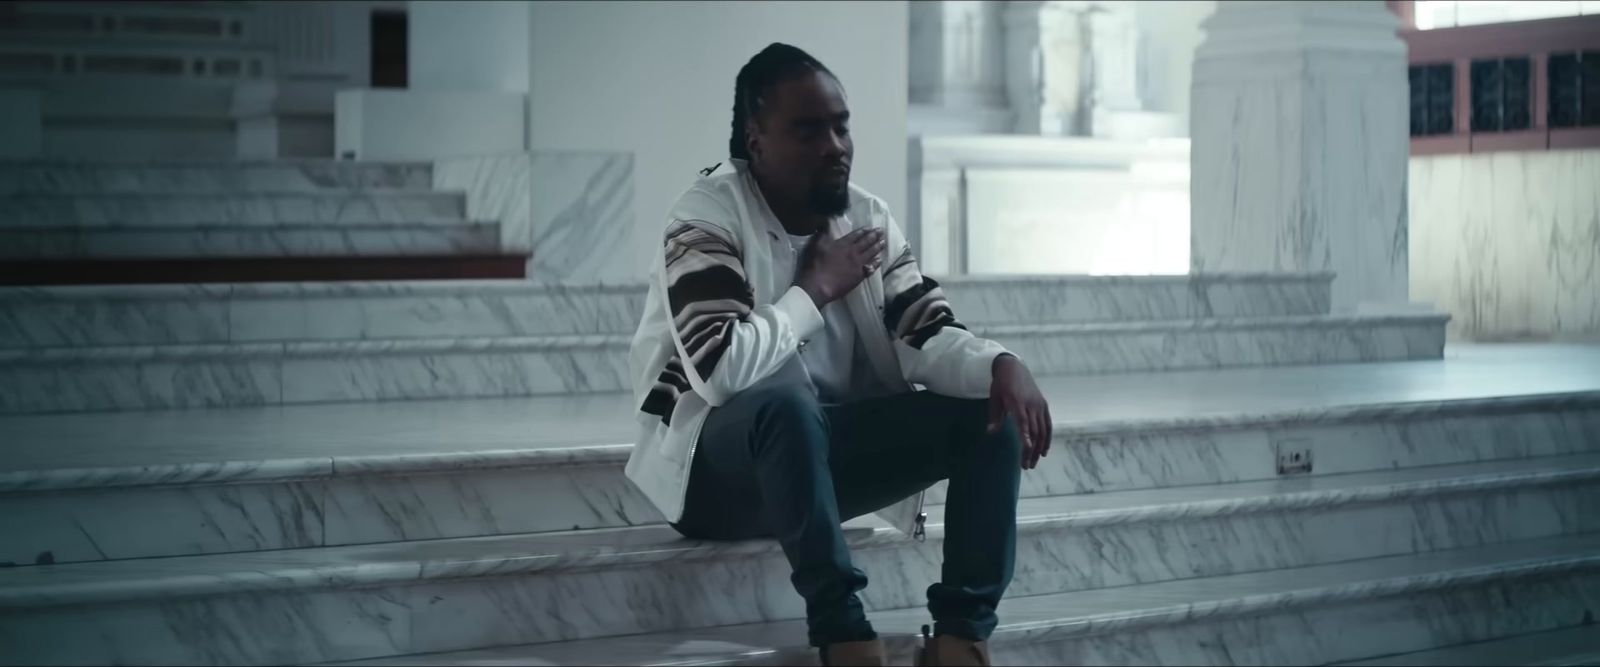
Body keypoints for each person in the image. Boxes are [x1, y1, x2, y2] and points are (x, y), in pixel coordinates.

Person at [625, 42, 1053, 667]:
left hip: (822, 467)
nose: (835, 146)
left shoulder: (866, 219)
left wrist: (1001, 365)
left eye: (840, 126)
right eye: (808, 130)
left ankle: (961, 636)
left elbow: (926, 334)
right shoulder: (705, 216)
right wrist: (814, 289)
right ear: (757, 140)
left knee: (990, 412)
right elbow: (719, 373)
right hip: (716, 478)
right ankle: (844, 634)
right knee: (785, 402)